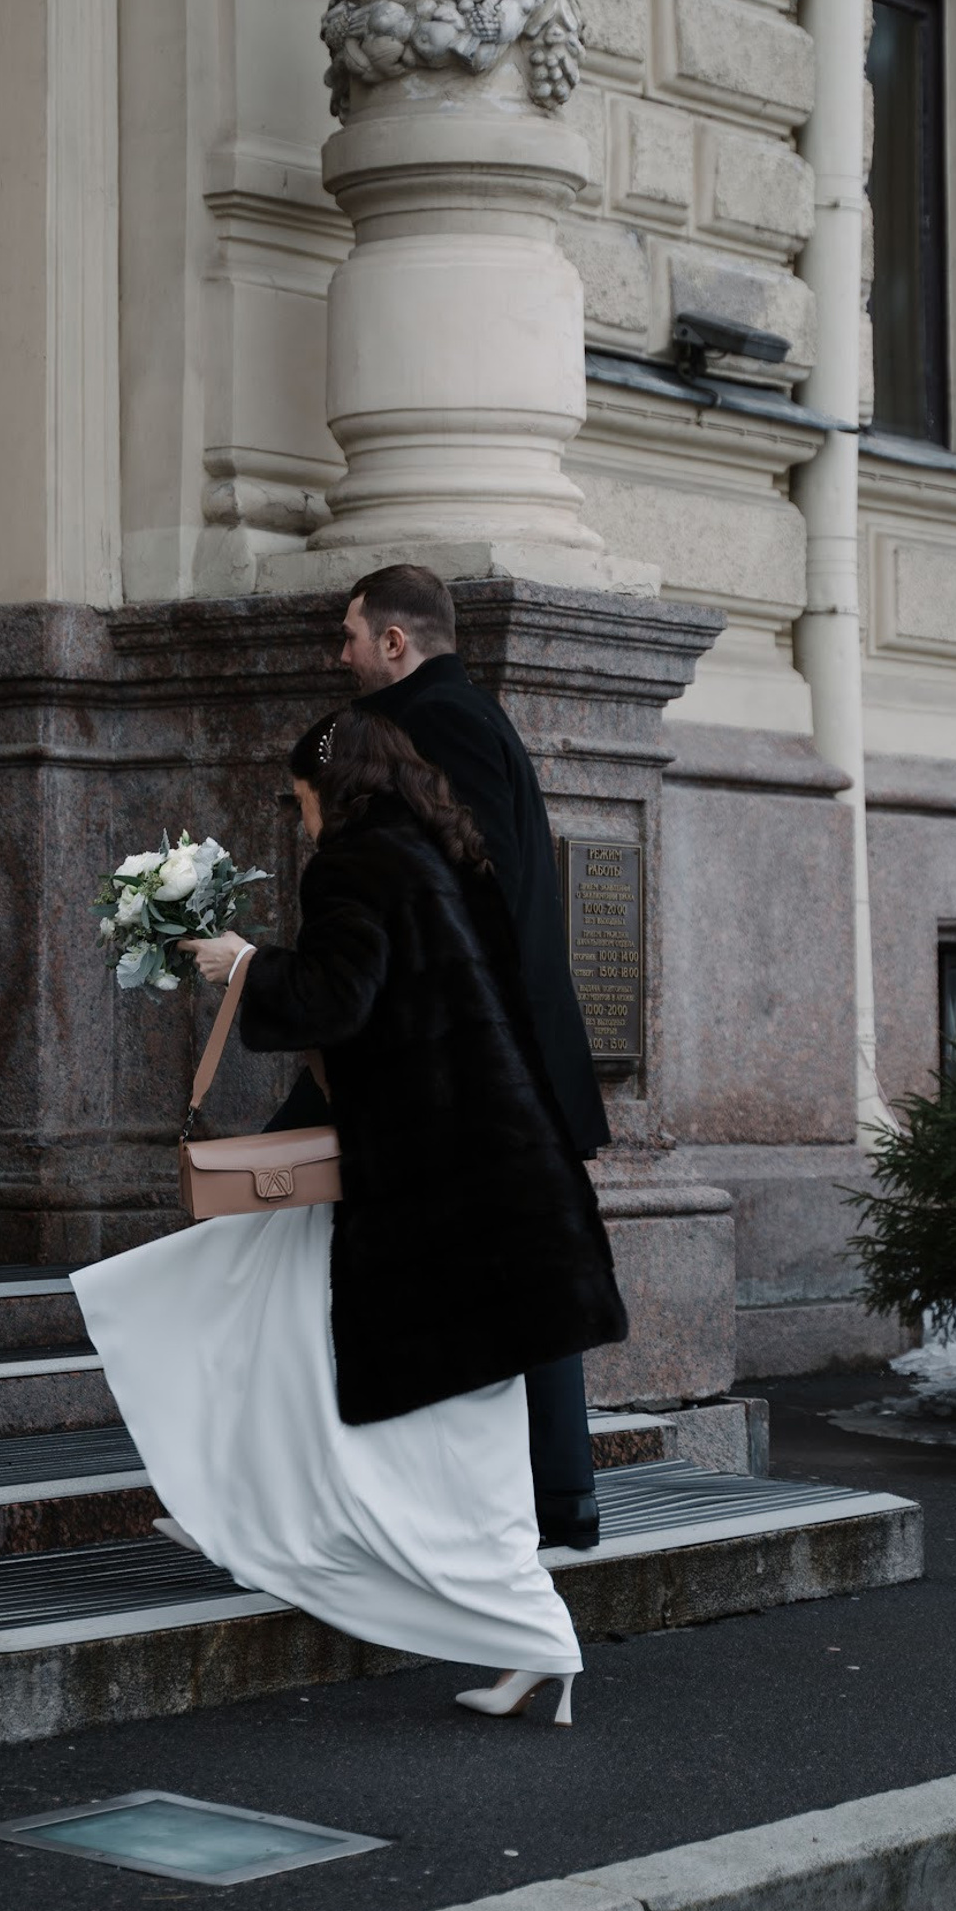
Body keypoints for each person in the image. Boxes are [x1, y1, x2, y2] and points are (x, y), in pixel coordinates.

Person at [71, 707, 628, 1723]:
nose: (298, 819)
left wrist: (240, 963)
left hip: (438, 1195)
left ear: (328, 790)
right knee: (275, 1319)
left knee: (441, 1426)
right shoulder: (437, 851)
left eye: (298, 798)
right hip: (483, 1183)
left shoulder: (356, 865)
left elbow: (339, 998)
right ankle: (250, 1517)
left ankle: (528, 1634)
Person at [341, 564, 610, 1554]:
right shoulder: (460, 711)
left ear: (397, 642)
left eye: (352, 635)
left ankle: (531, 1511)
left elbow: (473, 885)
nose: (343, 656)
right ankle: (553, 1503)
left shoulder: (437, 719)